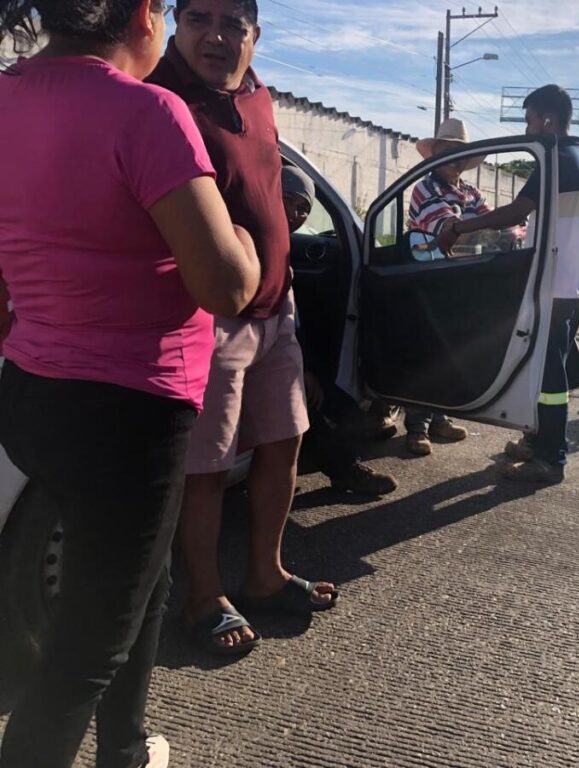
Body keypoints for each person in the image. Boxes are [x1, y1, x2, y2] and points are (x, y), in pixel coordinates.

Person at [0, 0, 261, 765]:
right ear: (145, 15)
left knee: (144, 578)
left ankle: (128, 744)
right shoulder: (149, 112)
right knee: (85, 649)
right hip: (130, 412)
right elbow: (224, 285)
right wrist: (243, 236)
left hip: (30, 387)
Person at [147, 0, 337, 657]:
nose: (217, 36)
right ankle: (202, 597)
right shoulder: (158, 95)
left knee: (285, 440)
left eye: (234, 24)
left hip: (275, 305)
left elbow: (265, 172)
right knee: (206, 467)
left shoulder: (258, 97)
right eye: (200, 18)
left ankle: (265, 574)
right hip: (206, 313)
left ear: (256, 36)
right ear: (175, 22)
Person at [438, 85, 579, 484]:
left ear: (547, 120)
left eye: (529, 120)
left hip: (554, 286)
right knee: (546, 368)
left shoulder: (555, 162)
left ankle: (551, 458)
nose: (527, 130)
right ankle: (536, 440)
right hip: (574, 285)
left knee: (549, 380)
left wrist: (459, 226)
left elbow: (514, 212)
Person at [282, 166, 398, 496]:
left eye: (305, 207)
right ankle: (344, 470)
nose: (298, 214)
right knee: (305, 402)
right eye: (289, 200)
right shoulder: (253, 240)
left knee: (335, 396)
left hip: (281, 346)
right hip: (256, 353)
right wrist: (301, 370)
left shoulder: (279, 245)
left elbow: (291, 319)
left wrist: (307, 367)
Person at [401, 118, 491, 456]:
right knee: (425, 353)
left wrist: (503, 228)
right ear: (435, 154)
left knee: (449, 353)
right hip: (426, 280)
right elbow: (450, 227)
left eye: (458, 153)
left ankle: (439, 419)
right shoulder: (425, 189)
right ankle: (416, 429)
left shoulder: (470, 192)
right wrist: (483, 228)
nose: (452, 158)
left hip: (456, 279)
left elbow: (498, 224)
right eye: (446, 151)